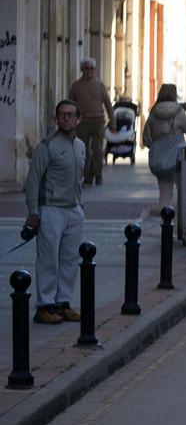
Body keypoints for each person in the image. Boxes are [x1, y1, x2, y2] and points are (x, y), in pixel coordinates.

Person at [23, 100, 87, 324]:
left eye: (70, 115)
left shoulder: (80, 146)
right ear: (56, 120)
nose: (66, 118)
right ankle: (44, 306)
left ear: (78, 119)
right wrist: (33, 212)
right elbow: (33, 181)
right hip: (51, 209)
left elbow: (79, 179)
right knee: (48, 259)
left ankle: (63, 303)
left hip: (74, 210)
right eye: (62, 115)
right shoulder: (46, 146)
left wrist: (80, 206)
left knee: (70, 259)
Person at [142, 84, 186, 210]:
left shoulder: (154, 112)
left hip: (159, 161)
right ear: (174, 95)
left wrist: (157, 146)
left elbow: (145, 138)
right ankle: (180, 222)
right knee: (183, 191)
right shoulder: (179, 113)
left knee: (164, 194)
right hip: (178, 159)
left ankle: (165, 222)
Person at [68, 58, 114, 186]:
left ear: (94, 70)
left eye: (91, 68)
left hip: (98, 122)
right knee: (84, 151)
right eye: (86, 68)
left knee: (97, 149)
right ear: (82, 69)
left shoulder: (100, 85)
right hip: (82, 123)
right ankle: (88, 175)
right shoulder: (76, 86)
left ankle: (97, 173)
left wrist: (113, 122)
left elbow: (108, 104)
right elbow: (70, 104)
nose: (89, 71)